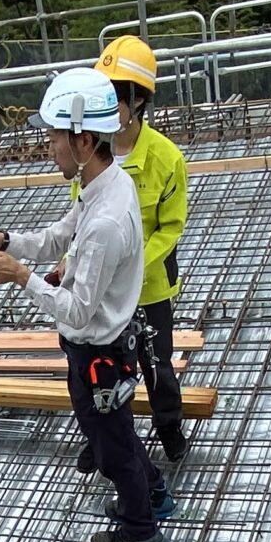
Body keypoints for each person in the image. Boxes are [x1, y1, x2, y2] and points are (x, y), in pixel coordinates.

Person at [0, 66, 166, 542]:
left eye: (53, 138)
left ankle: (140, 527)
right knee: (114, 434)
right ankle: (153, 491)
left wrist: (21, 276)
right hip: (97, 350)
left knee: (112, 448)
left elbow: (78, 311)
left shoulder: (107, 221)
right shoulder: (104, 185)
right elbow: (56, 238)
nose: (49, 148)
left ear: (83, 140)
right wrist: (3, 240)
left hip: (100, 353)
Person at [94, 36, 192, 464]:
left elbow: (171, 228)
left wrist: (131, 266)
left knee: (157, 363)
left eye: (114, 99)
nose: (106, 108)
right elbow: (83, 214)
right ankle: (105, 435)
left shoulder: (166, 158)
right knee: (105, 365)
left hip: (150, 287)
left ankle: (168, 425)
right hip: (104, 287)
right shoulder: (93, 152)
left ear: (138, 101)